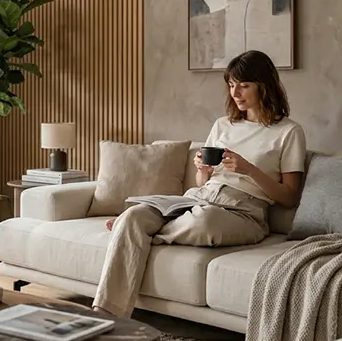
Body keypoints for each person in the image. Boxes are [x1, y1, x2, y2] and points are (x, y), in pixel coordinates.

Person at [91, 50, 307, 317]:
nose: (235, 93)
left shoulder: (289, 132)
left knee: (202, 222)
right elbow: (202, 181)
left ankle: (133, 233)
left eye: (244, 85)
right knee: (135, 214)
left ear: (264, 85)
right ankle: (105, 313)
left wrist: (248, 169)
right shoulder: (223, 125)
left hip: (244, 212)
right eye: (231, 85)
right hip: (200, 198)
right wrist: (202, 171)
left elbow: (289, 197)